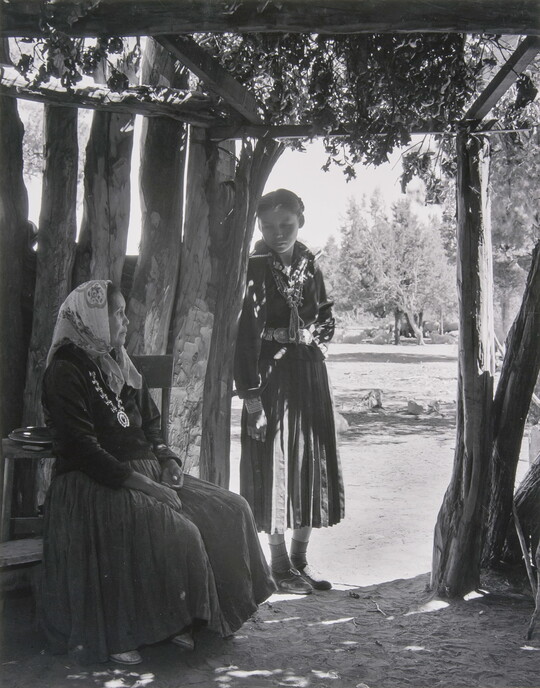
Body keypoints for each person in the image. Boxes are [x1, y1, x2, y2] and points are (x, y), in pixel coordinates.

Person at [41, 280, 275, 665]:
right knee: (175, 530)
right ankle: (150, 624)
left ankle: (187, 618)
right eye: (117, 313)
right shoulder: (65, 370)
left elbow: (151, 424)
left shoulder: (118, 361)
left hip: (145, 471)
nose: (125, 321)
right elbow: (82, 449)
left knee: (231, 509)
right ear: (92, 318)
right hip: (93, 482)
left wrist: (167, 460)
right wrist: (145, 485)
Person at [234, 188, 345, 595]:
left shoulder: (310, 263)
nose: (278, 233)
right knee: (276, 467)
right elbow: (243, 334)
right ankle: (278, 567)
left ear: (302, 221)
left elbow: (327, 313)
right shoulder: (252, 266)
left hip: (309, 377)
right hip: (271, 380)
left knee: (308, 466)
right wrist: (251, 398)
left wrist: (316, 337)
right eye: (268, 226)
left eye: (287, 224)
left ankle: (300, 563)